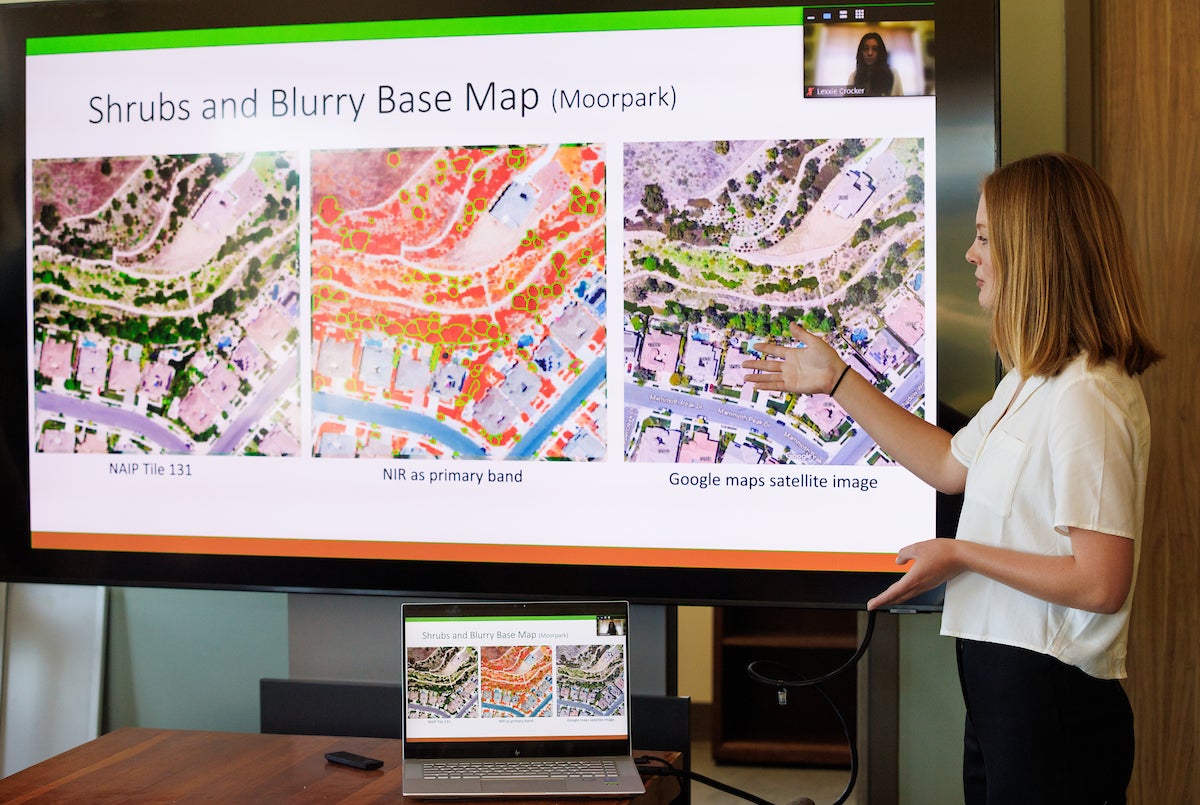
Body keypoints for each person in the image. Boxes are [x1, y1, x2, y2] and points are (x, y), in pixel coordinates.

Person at [743, 152, 1163, 804]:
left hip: (1048, 696)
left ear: (1037, 253)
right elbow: (947, 465)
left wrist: (961, 553)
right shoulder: (1032, 379)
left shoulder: (1088, 395)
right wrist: (835, 379)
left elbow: (1102, 580)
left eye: (987, 237)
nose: (971, 253)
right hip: (1003, 685)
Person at [848, 32, 903, 96]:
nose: (870, 53)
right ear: (861, 52)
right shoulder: (853, 76)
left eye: (875, 49)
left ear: (880, 53)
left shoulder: (893, 74)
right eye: (866, 48)